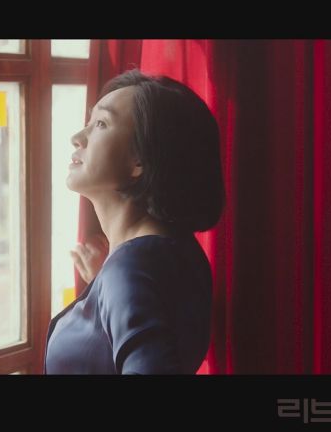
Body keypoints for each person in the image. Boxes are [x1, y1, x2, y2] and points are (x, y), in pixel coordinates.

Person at [45, 70, 225, 374]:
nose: (77, 138)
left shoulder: (130, 269)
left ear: (140, 159)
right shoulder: (178, 251)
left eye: (101, 124)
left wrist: (115, 282)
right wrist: (102, 291)